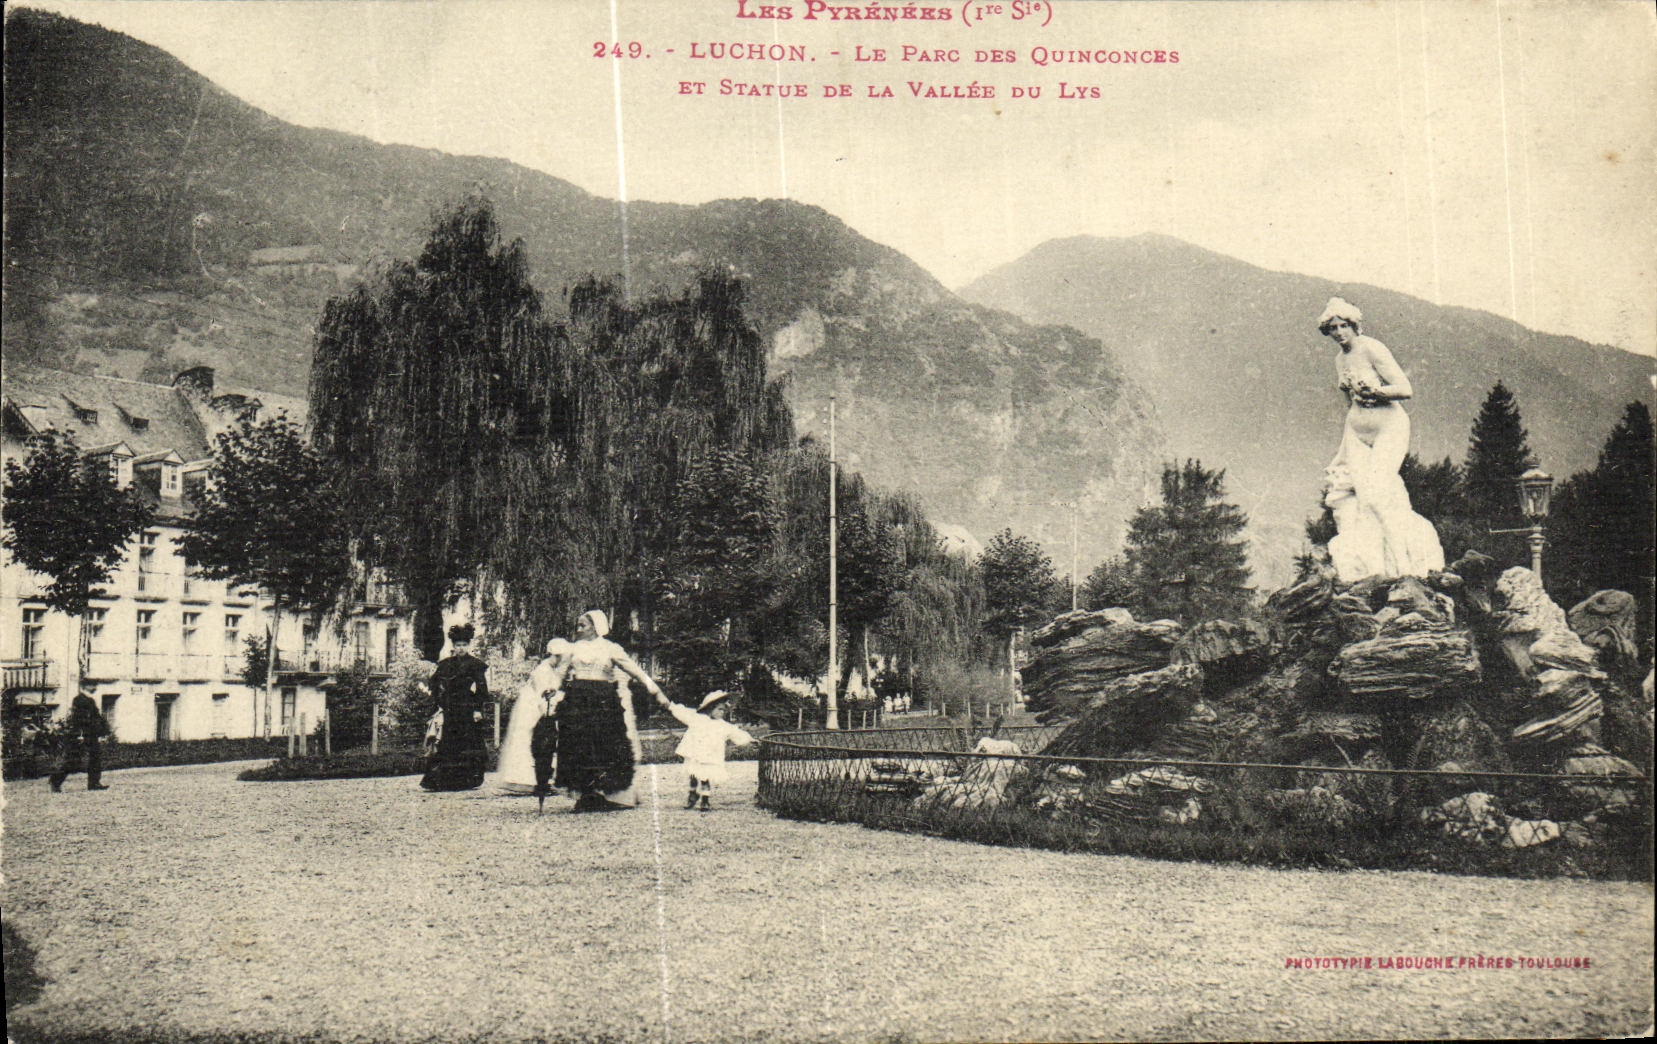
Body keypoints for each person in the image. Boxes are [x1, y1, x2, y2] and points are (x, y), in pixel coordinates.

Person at [1317, 297, 1444, 581]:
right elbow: (1348, 404)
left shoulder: (1372, 348)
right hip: (1358, 431)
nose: (1339, 332)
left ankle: (1405, 566)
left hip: (1389, 426)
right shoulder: (1340, 359)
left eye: (1343, 326)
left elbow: (1405, 388)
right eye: (1333, 328)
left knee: (1378, 496)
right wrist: (1343, 448)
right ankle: (1374, 568)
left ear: (1354, 325)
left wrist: (1377, 391)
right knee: (1362, 499)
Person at [543, 610, 664, 812]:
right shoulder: (572, 649)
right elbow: (560, 673)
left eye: (584, 625)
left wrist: (653, 688)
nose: (579, 629)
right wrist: (551, 688)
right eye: (578, 626)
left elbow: (632, 669)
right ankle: (585, 793)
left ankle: (605, 793)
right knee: (579, 746)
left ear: (596, 627)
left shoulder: (610, 648)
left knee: (605, 744)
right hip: (578, 700)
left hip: (603, 700)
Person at [419, 623, 492, 792]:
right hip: (450, 709)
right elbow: (435, 684)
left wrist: (477, 709)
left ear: (468, 645)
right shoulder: (445, 664)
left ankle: (467, 780)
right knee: (447, 743)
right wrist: (439, 703)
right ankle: (444, 781)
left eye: (464, 645)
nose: (461, 648)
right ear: (453, 646)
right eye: (458, 645)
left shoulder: (476, 665)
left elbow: (482, 689)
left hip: (467, 709)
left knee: (468, 743)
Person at [657, 689, 755, 812]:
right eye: (719, 709)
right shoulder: (697, 719)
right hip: (695, 753)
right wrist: (670, 706)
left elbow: (736, 733)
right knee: (693, 775)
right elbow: (683, 713)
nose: (722, 713)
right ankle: (692, 794)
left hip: (709, 756)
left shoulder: (723, 725)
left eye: (724, 710)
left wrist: (750, 739)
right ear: (710, 708)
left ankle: (705, 799)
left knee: (705, 777)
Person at [495, 638, 570, 795]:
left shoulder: (549, 669)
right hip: (531, 708)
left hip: (535, 705)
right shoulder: (543, 670)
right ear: (557, 655)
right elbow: (544, 694)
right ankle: (529, 781)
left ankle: (539, 780)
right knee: (531, 740)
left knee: (536, 741)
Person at [49, 693, 111, 792]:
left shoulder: (92, 711)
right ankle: (56, 780)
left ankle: (94, 783)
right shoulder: (79, 714)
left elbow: (99, 722)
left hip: (91, 738)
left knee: (95, 760)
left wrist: (102, 732)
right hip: (79, 740)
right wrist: (79, 735)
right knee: (73, 761)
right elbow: (77, 726)